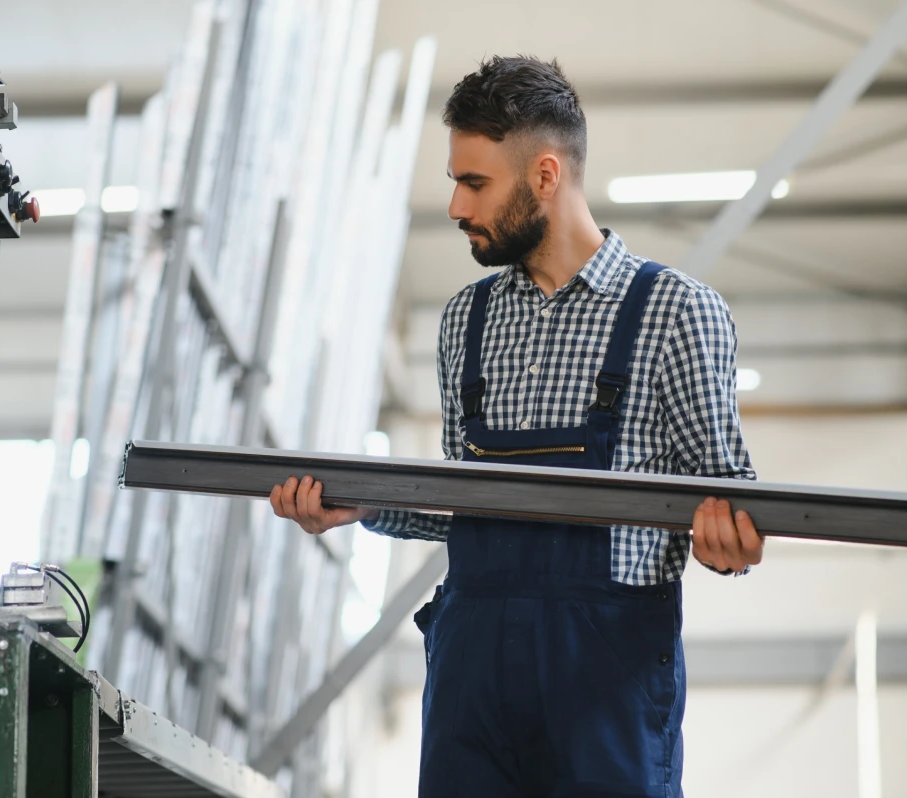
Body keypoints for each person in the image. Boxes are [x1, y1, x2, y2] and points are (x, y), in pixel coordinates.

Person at [270, 55, 763, 798]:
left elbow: (731, 506)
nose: (456, 206)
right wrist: (364, 506)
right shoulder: (465, 322)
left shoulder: (675, 313)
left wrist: (731, 546)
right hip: (473, 675)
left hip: (605, 684)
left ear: (544, 175)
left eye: (475, 183)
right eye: (455, 182)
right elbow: (471, 508)